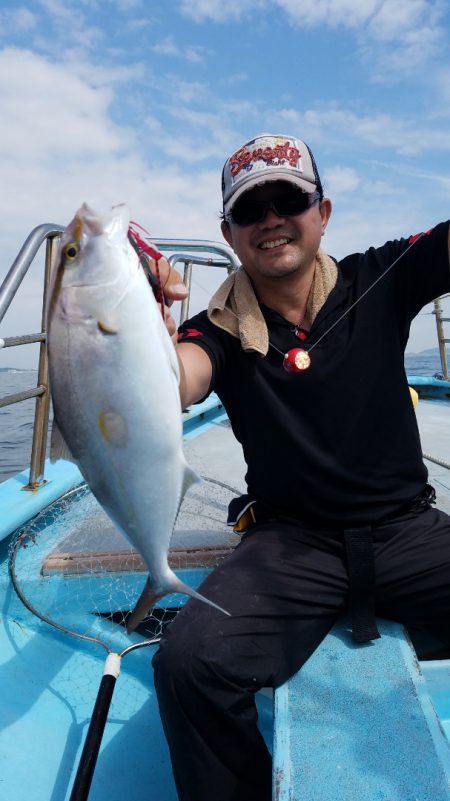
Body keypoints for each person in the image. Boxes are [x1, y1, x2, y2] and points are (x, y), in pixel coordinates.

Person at [152, 133, 450, 801]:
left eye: (288, 200)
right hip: (291, 545)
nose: (271, 219)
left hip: (407, 529)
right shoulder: (216, 327)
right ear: (228, 233)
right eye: (249, 209)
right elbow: (179, 377)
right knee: (188, 665)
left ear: (324, 212)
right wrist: (138, 330)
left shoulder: (381, 274)